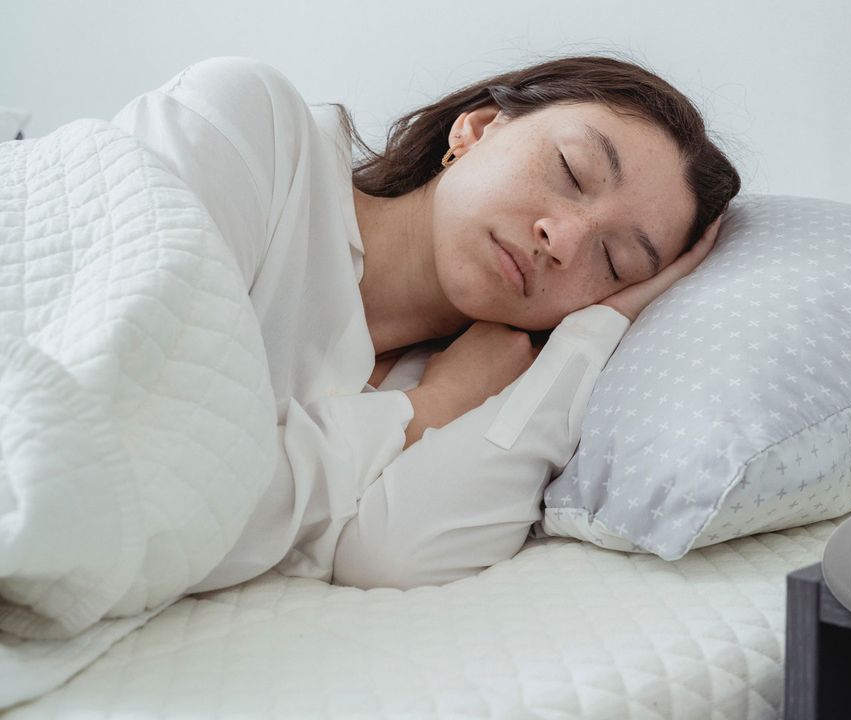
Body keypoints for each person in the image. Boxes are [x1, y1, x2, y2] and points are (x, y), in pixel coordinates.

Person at [111, 55, 741, 591]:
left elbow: (394, 554)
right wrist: (426, 408)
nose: (563, 238)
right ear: (478, 128)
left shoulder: (458, 382)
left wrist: (587, 339)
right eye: (572, 173)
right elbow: (135, 468)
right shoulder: (254, 130)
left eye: (614, 261)